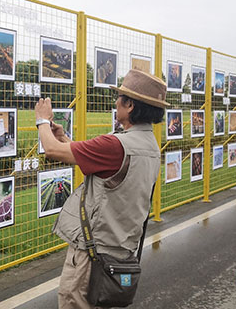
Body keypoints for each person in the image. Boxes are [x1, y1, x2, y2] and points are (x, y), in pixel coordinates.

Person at [34, 69, 168, 308]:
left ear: (130, 106)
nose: (115, 103)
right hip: (122, 250)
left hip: (92, 255)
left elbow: (52, 151)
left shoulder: (116, 145)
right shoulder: (150, 146)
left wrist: (42, 120)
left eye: (119, 98)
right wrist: (63, 137)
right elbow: (96, 161)